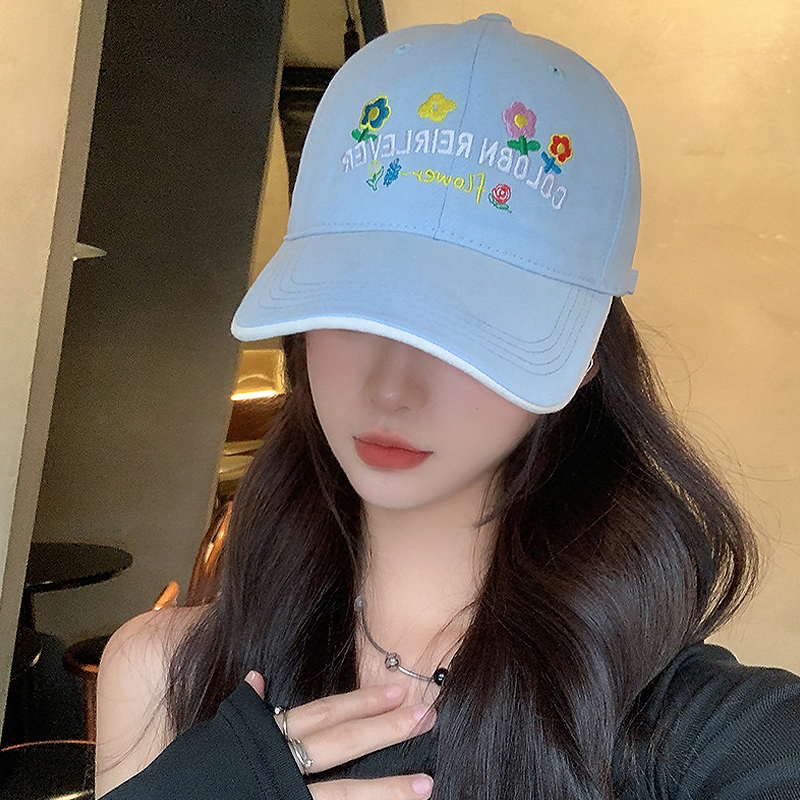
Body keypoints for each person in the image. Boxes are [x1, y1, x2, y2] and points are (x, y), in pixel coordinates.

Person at [94, 13, 800, 800]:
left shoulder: (674, 726)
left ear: (583, 358)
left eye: (469, 327)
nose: (393, 388)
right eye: (355, 307)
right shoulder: (161, 675)